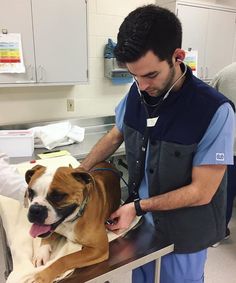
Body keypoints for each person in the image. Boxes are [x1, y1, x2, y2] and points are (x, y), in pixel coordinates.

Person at [80, 5, 235, 283]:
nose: (141, 85)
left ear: (177, 57)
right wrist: (80, 171)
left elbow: (202, 191)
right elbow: (117, 133)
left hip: (184, 233)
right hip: (141, 226)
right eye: (133, 75)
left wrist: (138, 206)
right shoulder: (137, 92)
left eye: (150, 75)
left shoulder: (214, 110)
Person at [210, 62, 236, 246]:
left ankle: (220, 232)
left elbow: (208, 105)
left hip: (228, 146)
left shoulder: (225, 73)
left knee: (225, 192)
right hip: (229, 147)